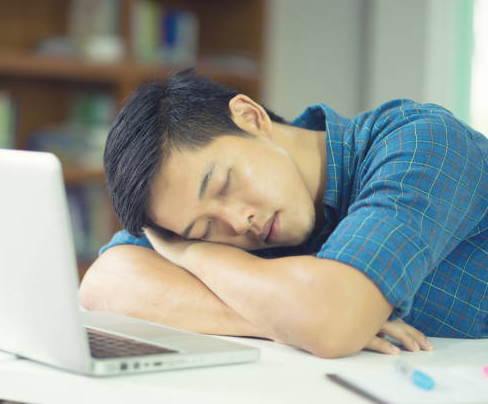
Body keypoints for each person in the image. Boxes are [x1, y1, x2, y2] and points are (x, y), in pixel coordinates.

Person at [79, 69, 488, 358]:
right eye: (203, 229)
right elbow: (104, 284)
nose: (238, 223)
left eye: (223, 184)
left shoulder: (422, 143)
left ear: (250, 117)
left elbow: (330, 323)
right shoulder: (227, 229)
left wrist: (197, 256)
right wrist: (281, 318)